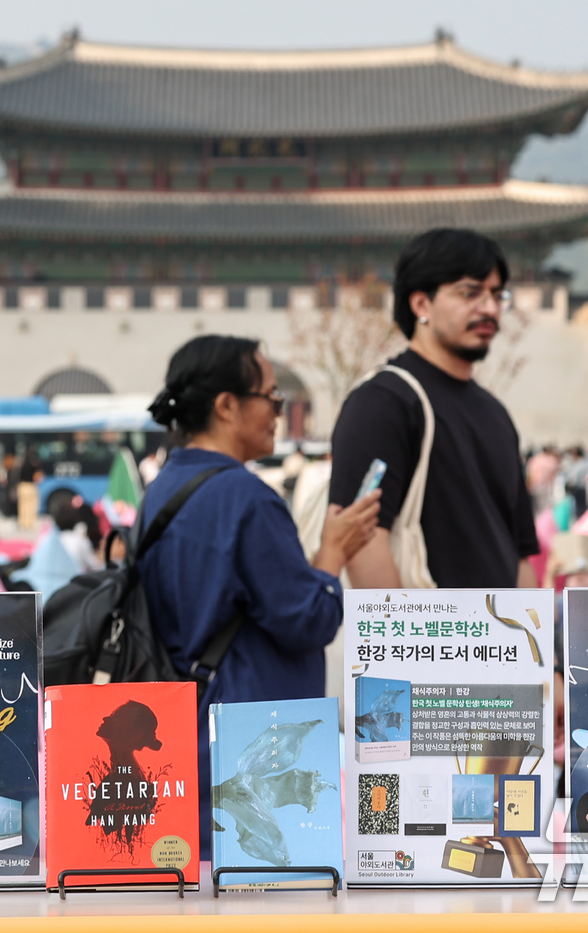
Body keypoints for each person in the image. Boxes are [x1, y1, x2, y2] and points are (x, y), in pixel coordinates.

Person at [140, 334, 380, 854]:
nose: (279, 410)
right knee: (258, 884)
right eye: (271, 397)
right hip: (249, 738)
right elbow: (309, 619)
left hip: (187, 733)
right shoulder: (246, 499)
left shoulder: (162, 489)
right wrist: (332, 552)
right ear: (227, 405)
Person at [329, 228, 539, 589]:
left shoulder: (495, 414)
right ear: (421, 304)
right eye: (470, 293)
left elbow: (517, 552)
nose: (489, 308)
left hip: (500, 638)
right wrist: (407, 644)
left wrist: (530, 642)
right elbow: (362, 542)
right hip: (428, 638)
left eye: (496, 294)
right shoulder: (383, 402)